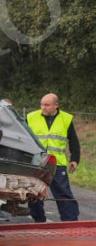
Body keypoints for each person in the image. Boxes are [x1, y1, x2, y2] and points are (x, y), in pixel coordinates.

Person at [26, 93, 80, 222]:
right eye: (42, 104)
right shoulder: (31, 117)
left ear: (56, 105)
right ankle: (38, 221)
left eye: (47, 105)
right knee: (34, 193)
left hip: (57, 163)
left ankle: (70, 222)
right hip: (36, 162)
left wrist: (74, 159)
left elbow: (73, 141)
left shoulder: (66, 119)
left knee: (63, 194)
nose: (43, 107)